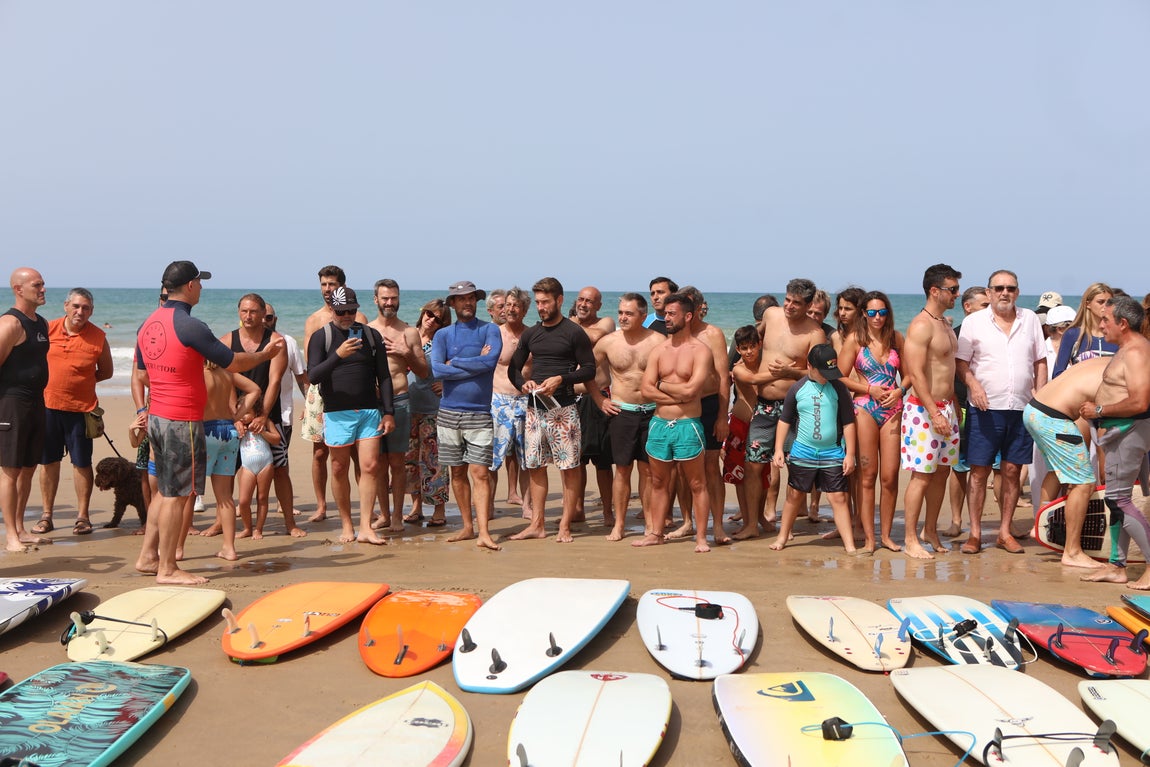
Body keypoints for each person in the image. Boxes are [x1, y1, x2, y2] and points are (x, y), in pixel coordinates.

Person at [135, 261, 283, 584]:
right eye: (199, 283)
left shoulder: (148, 323)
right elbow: (232, 361)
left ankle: (148, 556)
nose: (201, 288)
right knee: (178, 495)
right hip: (181, 420)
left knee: (164, 492)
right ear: (189, 286)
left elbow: (142, 372)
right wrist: (265, 355)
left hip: (157, 416)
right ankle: (168, 568)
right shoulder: (189, 325)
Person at [956, 269, 1047, 555]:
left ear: (1017, 292)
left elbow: (1040, 360)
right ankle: (975, 533)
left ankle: (1005, 532)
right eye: (999, 288)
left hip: (1021, 407)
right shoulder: (973, 322)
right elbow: (961, 363)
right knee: (979, 471)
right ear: (990, 291)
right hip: (985, 407)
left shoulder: (1030, 319)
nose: (1004, 292)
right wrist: (974, 385)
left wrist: (1040, 397)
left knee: (1011, 470)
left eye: (1010, 288)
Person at [733, 278, 826, 540]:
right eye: (787, 299)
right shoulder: (772, 316)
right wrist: (742, 368)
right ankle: (752, 523)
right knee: (754, 465)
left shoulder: (815, 333)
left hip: (795, 408)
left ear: (808, 305)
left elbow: (820, 374)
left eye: (796, 303)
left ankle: (787, 526)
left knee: (795, 466)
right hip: (763, 407)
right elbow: (752, 341)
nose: (789, 306)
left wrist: (789, 371)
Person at [508, 277, 596, 543]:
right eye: (537, 302)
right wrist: (524, 384)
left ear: (559, 300)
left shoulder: (573, 332)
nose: (541, 307)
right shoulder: (531, 333)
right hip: (535, 411)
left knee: (568, 468)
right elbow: (513, 368)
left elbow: (589, 369)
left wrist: (562, 379)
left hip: (564, 411)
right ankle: (537, 524)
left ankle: (565, 526)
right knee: (535, 466)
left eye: (545, 302)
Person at [306, 286, 395, 545]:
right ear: (332, 309)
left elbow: (384, 376)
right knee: (338, 467)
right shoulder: (320, 337)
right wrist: (338, 355)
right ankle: (347, 524)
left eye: (352, 311)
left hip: (368, 411)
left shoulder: (371, 335)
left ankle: (366, 526)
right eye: (342, 311)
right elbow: (313, 376)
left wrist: (388, 412)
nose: (347, 316)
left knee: (370, 466)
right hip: (336, 412)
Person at [635, 292, 720, 552]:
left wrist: (661, 388)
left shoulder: (701, 350)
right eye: (666, 313)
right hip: (659, 425)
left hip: (688, 425)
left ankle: (702, 538)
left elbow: (692, 391)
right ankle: (656, 533)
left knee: (697, 483)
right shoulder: (659, 350)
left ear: (688, 316)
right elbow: (645, 389)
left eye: (672, 314)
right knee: (658, 482)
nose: (666, 318)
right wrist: (668, 388)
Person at [1078, 296, 1150, 589]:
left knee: (1118, 501)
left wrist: (1098, 411)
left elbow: (1140, 400)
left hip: (1128, 431)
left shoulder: (1135, 351)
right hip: (1119, 432)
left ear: (1122, 323)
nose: (1101, 324)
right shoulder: (1127, 349)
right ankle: (1117, 566)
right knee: (1116, 501)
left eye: (1106, 319)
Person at [222, 294, 302, 537]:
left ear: (262, 313)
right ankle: (220, 522)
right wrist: (234, 416)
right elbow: (225, 382)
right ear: (238, 312)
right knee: (225, 472)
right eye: (244, 311)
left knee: (280, 469)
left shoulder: (276, 341)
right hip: (234, 416)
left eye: (254, 312)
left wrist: (262, 416)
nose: (249, 316)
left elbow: (275, 380)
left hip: (271, 415)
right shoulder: (227, 341)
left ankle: (290, 523)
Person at [34, 287, 113, 536]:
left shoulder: (99, 336)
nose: (81, 311)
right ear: (66, 306)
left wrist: (81, 383)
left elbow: (106, 372)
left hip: (82, 411)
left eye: (86, 308)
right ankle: (47, 515)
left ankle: (83, 516)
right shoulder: (47, 329)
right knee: (48, 462)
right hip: (47, 407)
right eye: (76, 306)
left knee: (81, 463)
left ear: (91, 311)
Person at [431, 280, 502, 550]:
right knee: (457, 473)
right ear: (452, 304)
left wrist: (457, 362)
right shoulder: (443, 336)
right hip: (448, 412)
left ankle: (484, 531)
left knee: (480, 473)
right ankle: (467, 527)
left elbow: (491, 362)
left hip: (480, 413)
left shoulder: (489, 330)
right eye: (461, 299)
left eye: (471, 298)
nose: (467, 302)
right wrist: (476, 365)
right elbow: (438, 370)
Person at [769, 344, 858, 553]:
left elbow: (848, 422)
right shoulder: (797, 388)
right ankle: (782, 537)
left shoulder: (838, 388)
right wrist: (779, 449)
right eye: (823, 372)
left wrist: (850, 454)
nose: (828, 377)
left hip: (832, 451)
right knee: (794, 495)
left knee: (838, 497)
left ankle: (850, 545)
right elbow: (785, 420)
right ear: (809, 365)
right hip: (803, 450)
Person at [901, 264, 963, 559]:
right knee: (922, 476)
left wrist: (952, 409)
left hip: (946, 408)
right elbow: (916, 373)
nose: (957, 294)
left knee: (941, 473)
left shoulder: (945, 324)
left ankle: (931, 530)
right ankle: (911, 539)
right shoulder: (921, 325)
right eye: (952, 289)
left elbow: (947, 371)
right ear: (934, 291)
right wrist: (933, 412)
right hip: (923, 412)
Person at [588, 293, 662, 541]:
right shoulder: (609, 342)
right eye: (620, 312)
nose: (623, 317)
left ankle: (651, 522)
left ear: (643, 315)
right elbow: (586, 370)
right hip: (622, 412)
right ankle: (619, 524)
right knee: (622, 469)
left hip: (651, 412)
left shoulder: (658, 341)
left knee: (649, 471)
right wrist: (600, 400)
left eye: (629, 313)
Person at [1023, 357, 1109, 568]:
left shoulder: (1109, 360)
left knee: (1057, 471)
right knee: (1084, 483)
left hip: (1035, 411)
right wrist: (1105, 469)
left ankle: (1040, 526)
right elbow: (1104, 427)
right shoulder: (1121, 374)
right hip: (1053, 418)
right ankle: (1072, 551)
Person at [837, 291, 907, 552]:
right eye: (872, 312)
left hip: (893, 409)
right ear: (864, 314)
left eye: (882, 312)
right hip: (864, 408)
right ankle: (868, 539)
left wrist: (900, 390)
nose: (877, 317)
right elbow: (840, 376)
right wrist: (869, 390)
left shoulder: (896, 338)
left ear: (888, 313)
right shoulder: (856, 340)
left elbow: (909, 376)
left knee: (889, 477)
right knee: (868, 476)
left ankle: (886, 536)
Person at [301, 266, 368, 523]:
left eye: (332, 284)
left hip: (351, 391)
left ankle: (364, 505)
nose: (328, 289)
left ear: (342, 286)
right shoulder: (313, 320)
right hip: (320, 392)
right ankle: (321, 506)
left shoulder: (357, 315)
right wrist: (307, 399)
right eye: (324, 284)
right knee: (320, 452)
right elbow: (311, 365)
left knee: (355, 451)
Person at [367, 279, 428, 533]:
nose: (389, 303)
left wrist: (407, 353)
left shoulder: (409, 332)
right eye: (385, 298)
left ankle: (397, 517)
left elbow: (424, 372)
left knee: (397, 462)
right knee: (376, 462)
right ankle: (383, 514)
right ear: (376, 300)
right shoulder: (365, 329)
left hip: (401, 400)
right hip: (372, 404)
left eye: (393, 298)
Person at [674, 286, 730, 543]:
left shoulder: (712, 334)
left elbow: (722, 377)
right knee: (682, 467)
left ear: (696, 309)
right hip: (681, 408)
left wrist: (722, 416)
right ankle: (687, 521)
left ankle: (717, 526)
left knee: (710, 466)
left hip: (708, 406)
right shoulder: (673, 331)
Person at [1, 267, 51, 552]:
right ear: (19, 289)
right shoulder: (9, 324)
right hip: (11, 404)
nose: (43, 289)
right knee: (10, 470)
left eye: (43, 284)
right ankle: (10, 536)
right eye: (37, 285)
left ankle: (20, 527)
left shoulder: (40, 323)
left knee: (29, 468)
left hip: (36, 402)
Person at [199, 359, 260, 559]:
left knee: (188, 495)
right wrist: (238, 416)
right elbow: (254, 390)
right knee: (225, 496)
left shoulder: (198, 373)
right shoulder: (227, 373)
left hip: (205, 430)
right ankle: (229, 548)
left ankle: (178, 549)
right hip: (228, 430)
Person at [943, 285, 990, 537]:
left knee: (995, 467)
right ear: (967, 307)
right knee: (959, 466)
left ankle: (993, 523)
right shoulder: (955, 336)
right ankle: (956, 519)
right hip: (960, 406)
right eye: (984, 305)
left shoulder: (993, 333)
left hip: (990, 408)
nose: (989, 309)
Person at [262, 302, 308, 537]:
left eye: (268, 317)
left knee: (280, 465)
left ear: (275, 318)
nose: (264, 321)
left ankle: (283, 506)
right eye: (262, 316)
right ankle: (248, 511)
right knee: (247, 465)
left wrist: (310, 405)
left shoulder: (288, 342)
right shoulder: (243, 342)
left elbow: (301, 377)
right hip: (249, 416)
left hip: (282, 414)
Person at [572, 286, 616, 524]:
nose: (584, 304)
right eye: (580, 299)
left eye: (590, 301)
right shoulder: (567, 325)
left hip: (598, 398)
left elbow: (594, 336)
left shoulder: (606, 323)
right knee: (575, 459)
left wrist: (565, 324)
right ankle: (578, 508)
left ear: (598, 305)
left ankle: (608, 510)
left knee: (602, 460)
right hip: (571, 398)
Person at [405, 298, 451, 527]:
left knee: (434, 460)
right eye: (430, 314)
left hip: (434, 408)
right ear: (423, 312)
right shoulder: (407, 334)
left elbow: (458, 366)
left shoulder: (443, 342)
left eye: (438, 319)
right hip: (407, 405)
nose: (432, 320)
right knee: (411, 459)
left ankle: (439, 509)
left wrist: (447, 385)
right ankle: (416, 506)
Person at [489, 287, 531, 519]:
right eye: (507, 305)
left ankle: (527, 505)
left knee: (526, 459)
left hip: (526, 402)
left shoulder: (532, 335)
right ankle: (488, 505)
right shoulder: (493, 333)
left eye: (516, 305)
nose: (511, 309)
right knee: (492, 459)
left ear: (525, 309)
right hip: (498, 401)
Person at [235, 400, 282, 540]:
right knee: (243, 501)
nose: (243, 416)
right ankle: (247, 528)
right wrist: (238, 432)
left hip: (265, 464)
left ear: (256, 412)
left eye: (246, 413)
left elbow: (277, 439)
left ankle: (258, 529)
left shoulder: (265, 422)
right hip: (247, 466)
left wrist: (263, 432)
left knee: (262, 498)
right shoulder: (239, 425)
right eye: (241, 413)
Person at [1052, 283, 1115, 378]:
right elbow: (1058, 374)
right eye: (1100, 302)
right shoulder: (1073, 335)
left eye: (1109, 302)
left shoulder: (1117, 335)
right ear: (1088, 304)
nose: (1105, 306)